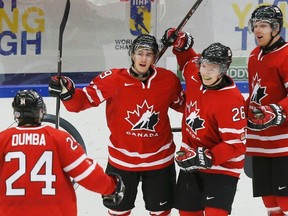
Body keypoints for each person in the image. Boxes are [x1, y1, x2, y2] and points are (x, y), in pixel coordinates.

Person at [48, 34, 185, 216]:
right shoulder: (112, 79)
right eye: (140, 53)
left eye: (149, 54)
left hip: (159, 162)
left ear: (154, 58)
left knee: (161, 211)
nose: (144, 58)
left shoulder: (168, 81)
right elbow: (80, 103)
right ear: (132, 55)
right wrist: (67, 92)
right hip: (122, 162)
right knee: (118, 211)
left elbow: (186, 106)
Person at [161, 29, 247, 216]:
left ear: (223, 70)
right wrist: (180, 42)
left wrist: (207, 157)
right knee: (187, 213)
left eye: (213, 68)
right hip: (190, 162)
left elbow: (236, 145)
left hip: (222, 168)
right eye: (204, 65)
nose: (206, 72)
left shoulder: (232, 100)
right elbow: (186, 59)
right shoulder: (195, 74)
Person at [0, 89, 125, 216]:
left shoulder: (2, 140)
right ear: (40, 111)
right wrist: (110, 187)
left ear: (16, 113)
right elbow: (86, 173)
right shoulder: (58, 138)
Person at [246, 5, 288, 216]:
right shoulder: (254, 56)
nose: (257, 30)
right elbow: (254, 94)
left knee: (285, 200)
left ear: (276, 28)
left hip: (283, 142)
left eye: (263, 25)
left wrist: (277, 110)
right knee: (270, 202)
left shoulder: (287, 54)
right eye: (255, 26)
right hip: (260, 140)